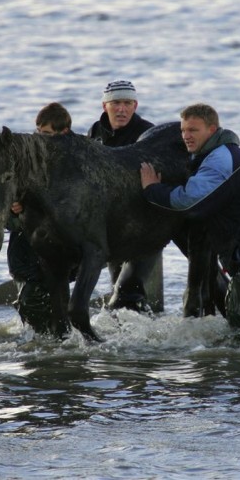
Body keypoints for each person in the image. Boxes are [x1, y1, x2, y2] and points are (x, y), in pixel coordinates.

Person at [140, 103, 240, 334]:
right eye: (184, 130)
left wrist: (152, 190)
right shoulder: (210, 155)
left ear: (212, 130)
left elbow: (190, 200)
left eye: (193, 130)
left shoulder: (219, 159)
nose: (186, 136)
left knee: (238, 315)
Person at [88, 80, 158, 312]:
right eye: (116, 103)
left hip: (144, 223)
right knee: (117, 280)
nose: (122, 109)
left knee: (129, 291)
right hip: (110, 224)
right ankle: (134, 332)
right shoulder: (96, 132)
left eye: (127, 103)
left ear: (135, 105)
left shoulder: (148, 133)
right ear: (104, 105)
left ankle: (147, 333)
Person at [7, 102, 72, 335]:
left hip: (58, 249)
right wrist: (14, 208)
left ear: (63, 133)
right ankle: (47, 341)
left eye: (46, 134)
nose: (40, 139)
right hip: (25, 248)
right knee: (33, 298)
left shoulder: (73, 162)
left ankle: (52, 345)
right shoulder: (27, 160)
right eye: (38, 133)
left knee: (45, 299)